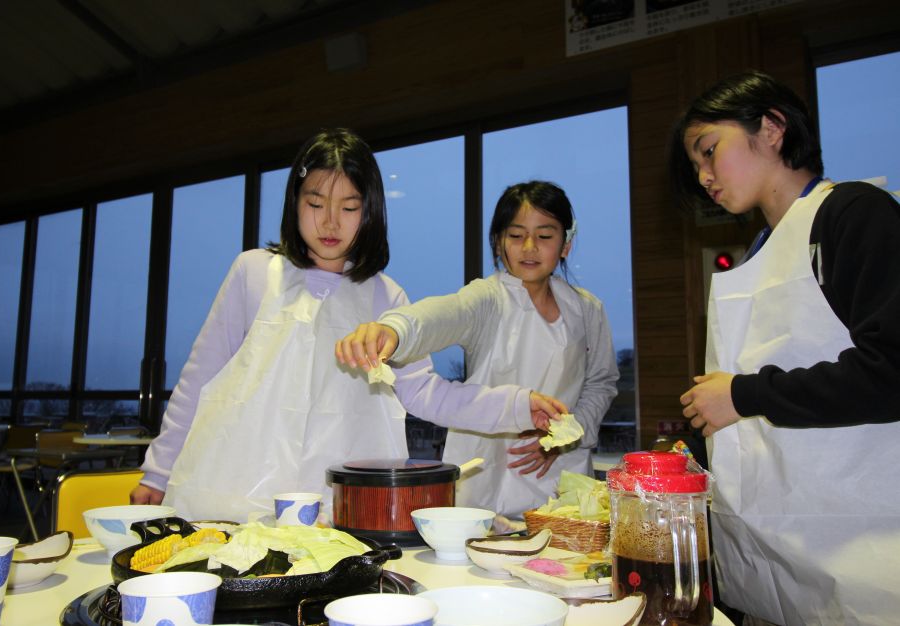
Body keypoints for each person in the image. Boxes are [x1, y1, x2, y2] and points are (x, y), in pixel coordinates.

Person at [130, 129, 566, 522]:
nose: (330, 222)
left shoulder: (384, 297)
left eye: (349, 207)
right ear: (295, 202)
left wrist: (516, 405)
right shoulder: (256, 272)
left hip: (337, 502)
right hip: (236, 489)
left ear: (369, 211)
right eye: (315, 203)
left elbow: (428, 394)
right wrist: (158, 471)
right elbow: (200, 378)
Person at [670, 70, 900, 625]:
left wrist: (743, 394)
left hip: (863, 543)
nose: (703, 176)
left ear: (772, 128)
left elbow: (892, 368)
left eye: (709, 151)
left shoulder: (852, 213)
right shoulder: (759, 252)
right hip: (780, 554)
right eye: (696, 165)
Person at [336, 181, 619, 519]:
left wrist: (566, 438)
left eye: (544, 236)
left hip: (563, 476)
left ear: (565, 245)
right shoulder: (488, 298)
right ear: (498, 243)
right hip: (490, 474)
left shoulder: (586, 309)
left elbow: (601, 382)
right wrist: (395, 329)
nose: (529, 247)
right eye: (516, 236)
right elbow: (443, 315)